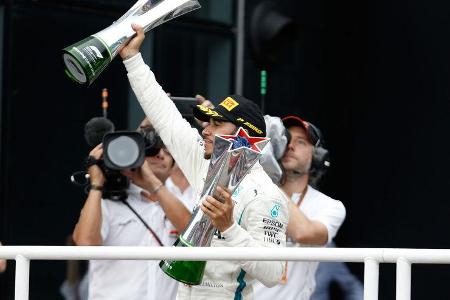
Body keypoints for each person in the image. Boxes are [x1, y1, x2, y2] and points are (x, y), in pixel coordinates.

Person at [119, 24, 289, 300]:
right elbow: (165, 115)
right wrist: (132, 58)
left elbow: (272, 274)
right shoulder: (204, 163)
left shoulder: (267, 195)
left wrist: (229, 228)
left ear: (244, 135)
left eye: (217, 123)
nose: (205, 130)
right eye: (207, 122)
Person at [72, 118, 193, 300]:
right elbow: (85, 245)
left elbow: (194, 236)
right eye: (151, 151)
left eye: (167, 152)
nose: (160, 154)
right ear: (133, 155)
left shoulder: (183, 201)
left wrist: (154, 184)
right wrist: (97, 184)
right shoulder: (105, 202)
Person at [253, 115, 346, 300]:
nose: (290, 146)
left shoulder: (330, 206)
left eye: (301, 142)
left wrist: (267, 177)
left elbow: (304, 232)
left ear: (318, 156)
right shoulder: (254, 191)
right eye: (285, 138)